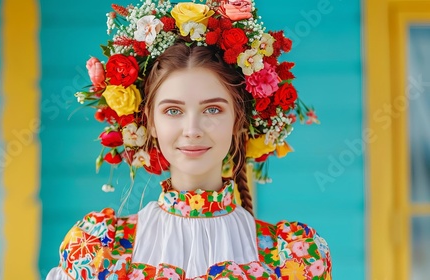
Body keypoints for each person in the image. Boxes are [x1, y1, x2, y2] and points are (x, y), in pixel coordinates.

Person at [47, 0, 331, 279]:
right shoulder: (95, 253)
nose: (192, 129)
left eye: (212, 109)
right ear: (150, 121)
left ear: (237, 119)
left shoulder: (295, 259)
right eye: (173, 110)